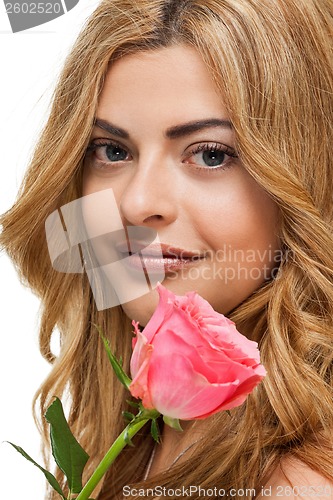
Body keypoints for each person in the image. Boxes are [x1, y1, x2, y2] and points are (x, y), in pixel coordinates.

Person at [1, 0, 333, 498]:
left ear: (309, 179)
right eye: (112, 151)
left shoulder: (298, 482)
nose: (136, 204)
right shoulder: (116, 440)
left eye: (210, 154)